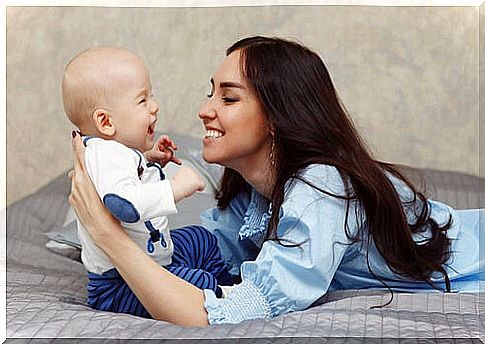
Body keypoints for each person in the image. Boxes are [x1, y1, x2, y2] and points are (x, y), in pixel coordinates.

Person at [68, 36, 483, 327]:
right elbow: (214, 252)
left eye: (228, 98)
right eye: (211, 93)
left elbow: (215, 316)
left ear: (277, 117)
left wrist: (111, 239)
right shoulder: (255, 190)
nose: (204, 110)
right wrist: (118, 216)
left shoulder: (321, 191)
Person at [62, 47, 234, 318]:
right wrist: (177, 188)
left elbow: (124, 179)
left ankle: (228, 278)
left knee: (201, 240)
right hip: (120, 285)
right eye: (143, 100)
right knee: (199, 283)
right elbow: (125, 204)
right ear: (106, 122)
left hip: (154, 257)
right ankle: (226, 294)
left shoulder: (113, 152)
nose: (154, 106)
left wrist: (149, 160)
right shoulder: (106, 154)